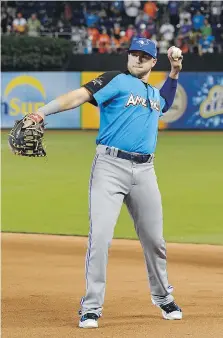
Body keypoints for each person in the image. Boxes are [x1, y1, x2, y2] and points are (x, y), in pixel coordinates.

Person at [25, 37, 183, 329]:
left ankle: (163, 297)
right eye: (133, 54)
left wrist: (174, 72)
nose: (137, 59)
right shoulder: (115, 80)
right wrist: (41, 112)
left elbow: (165, 103)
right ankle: (91, 308)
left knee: (155, 241)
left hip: (145, 171)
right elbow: (78, 95)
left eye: (144, 56)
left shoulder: (151, 93)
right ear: (128, 57)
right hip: (109, 167)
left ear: (152, 62)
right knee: (100, 239)